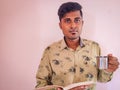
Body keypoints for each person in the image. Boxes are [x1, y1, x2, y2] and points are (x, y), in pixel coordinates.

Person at [35, 2, 119, 90]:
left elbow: (102, 78)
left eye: (77, 20)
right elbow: (40, 85)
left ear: (82, 23)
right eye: (67, 21)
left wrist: (108, 69)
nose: (73, 25)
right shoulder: (50, 51)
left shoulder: (95, 47)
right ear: (60, 25)